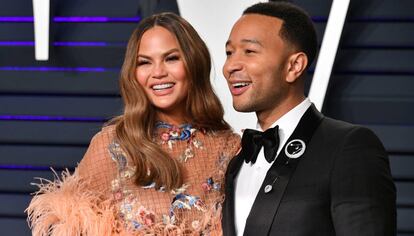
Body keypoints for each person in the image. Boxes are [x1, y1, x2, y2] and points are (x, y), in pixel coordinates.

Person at [27, 12, 240, 236]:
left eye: (171, 58)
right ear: (133, 73)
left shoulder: (228, 147)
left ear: (194, 62)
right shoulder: (111, 146)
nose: (158, 72)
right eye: (144, 62)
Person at [221, 2, 396, 236]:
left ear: (294, 65)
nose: (231, 66)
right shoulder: (236, 159)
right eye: (229, 53)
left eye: (249, 51)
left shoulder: (348, 147)